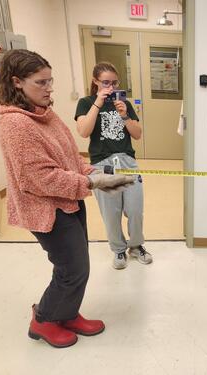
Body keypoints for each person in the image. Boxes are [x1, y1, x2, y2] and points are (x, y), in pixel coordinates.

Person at [0, 49, 135, 348]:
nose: (49, 89)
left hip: (68, 200)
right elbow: (40, 178)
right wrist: (90, 181)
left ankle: (67, 314)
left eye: (50, 81)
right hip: (46, 208)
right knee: (71, 268)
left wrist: (95, 172)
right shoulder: (16, 125)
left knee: (78, 264)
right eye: (41, 83)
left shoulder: (44, 114)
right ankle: (43, 319)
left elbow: (68, 159)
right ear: (17, 82)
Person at [75, 62, 152, 270]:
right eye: (105, 82)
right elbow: (83, 131)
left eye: (114, 82)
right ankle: (118, 249)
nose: (111, 87)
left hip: (127, 161)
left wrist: (125, 115)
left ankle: (136, 246)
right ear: (95, 82)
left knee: (135, 210)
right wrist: (98, 103)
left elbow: (137, 134)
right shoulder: (85, 102)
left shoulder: (123, 103)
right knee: (111, 213)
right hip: (102, 163)